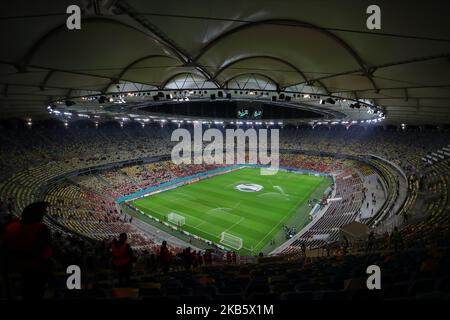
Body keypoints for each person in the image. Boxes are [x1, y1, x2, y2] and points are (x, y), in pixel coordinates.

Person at [3, 202, 53, 300]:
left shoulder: (11, 226)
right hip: (33, 268)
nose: (44, 216)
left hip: (13, 264)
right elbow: (42, 251)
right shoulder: (40, 229)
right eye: (43, 213)